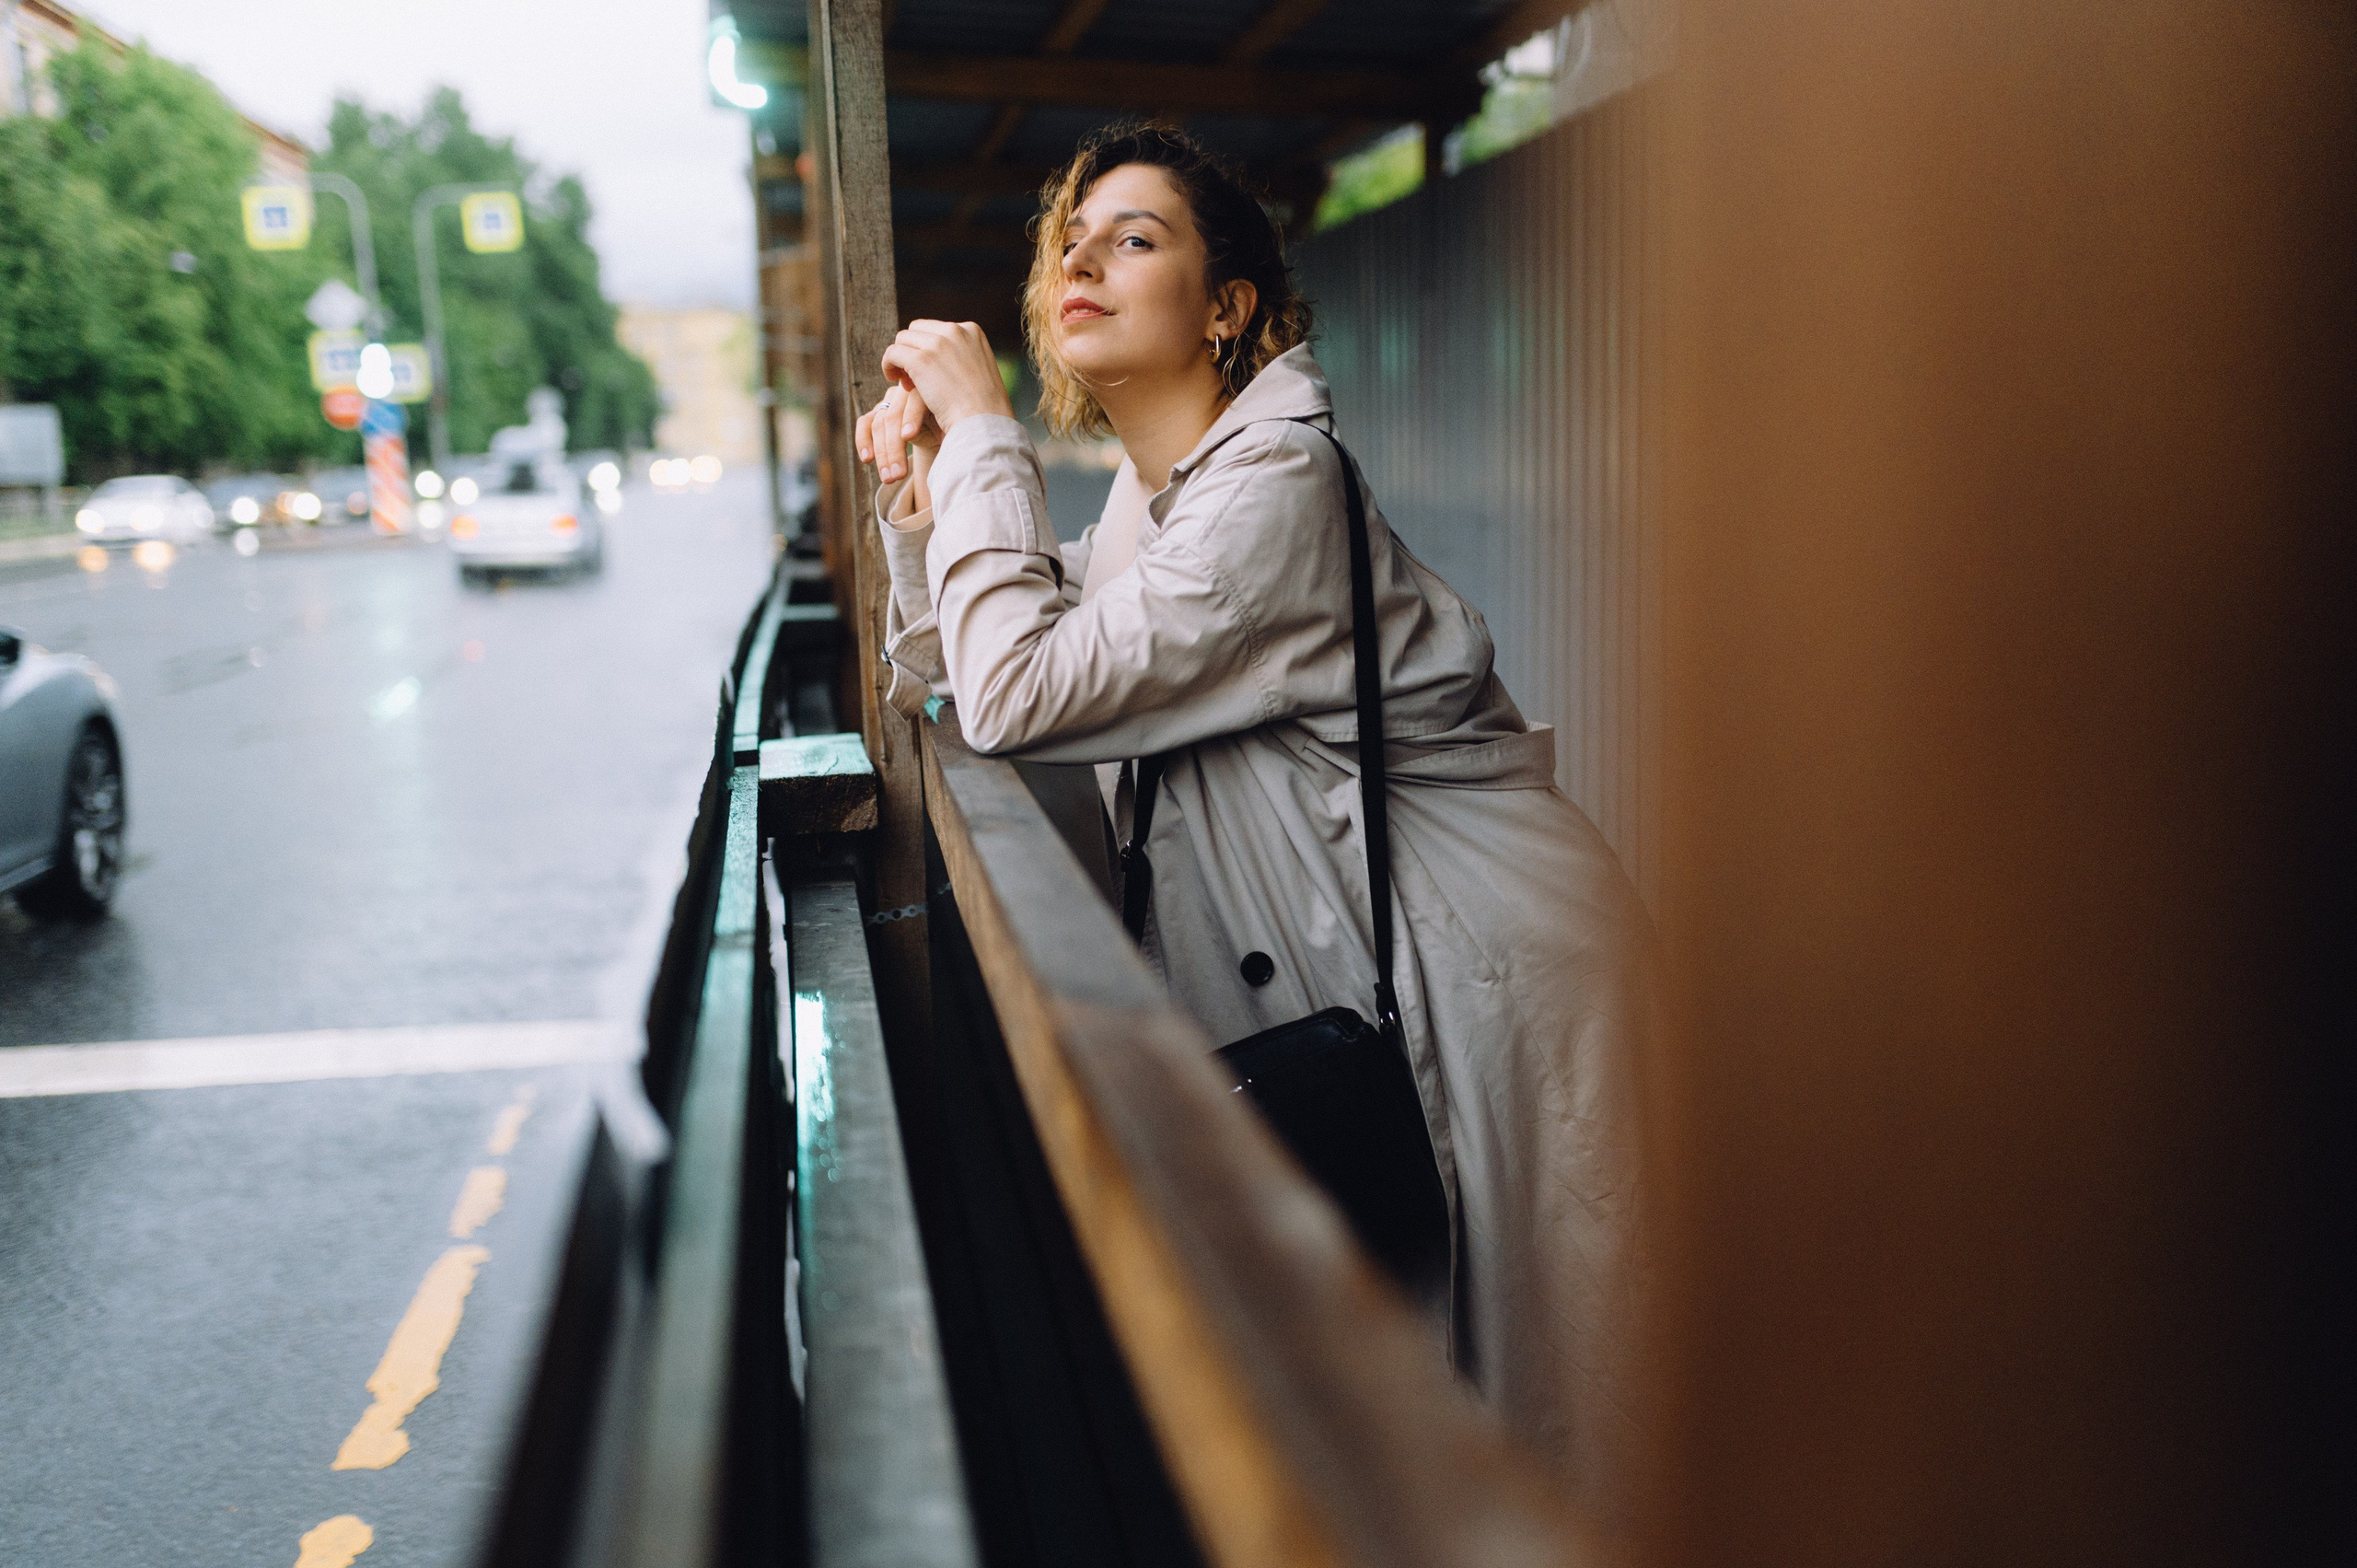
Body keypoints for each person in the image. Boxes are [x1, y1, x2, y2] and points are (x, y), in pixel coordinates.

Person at [854, 122, 1655, 1516]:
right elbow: (956, 690)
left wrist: (987, 436)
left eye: (1135, 236)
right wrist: (929, 512)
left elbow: (1024, 689)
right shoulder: (1141, 512)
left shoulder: (1276, 485)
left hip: (1491, 985)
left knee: (1545, 1418)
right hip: (1386, 983)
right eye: (1071, 241)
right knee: (1424, 1407)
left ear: (1227, 310)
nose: (1082, 259)